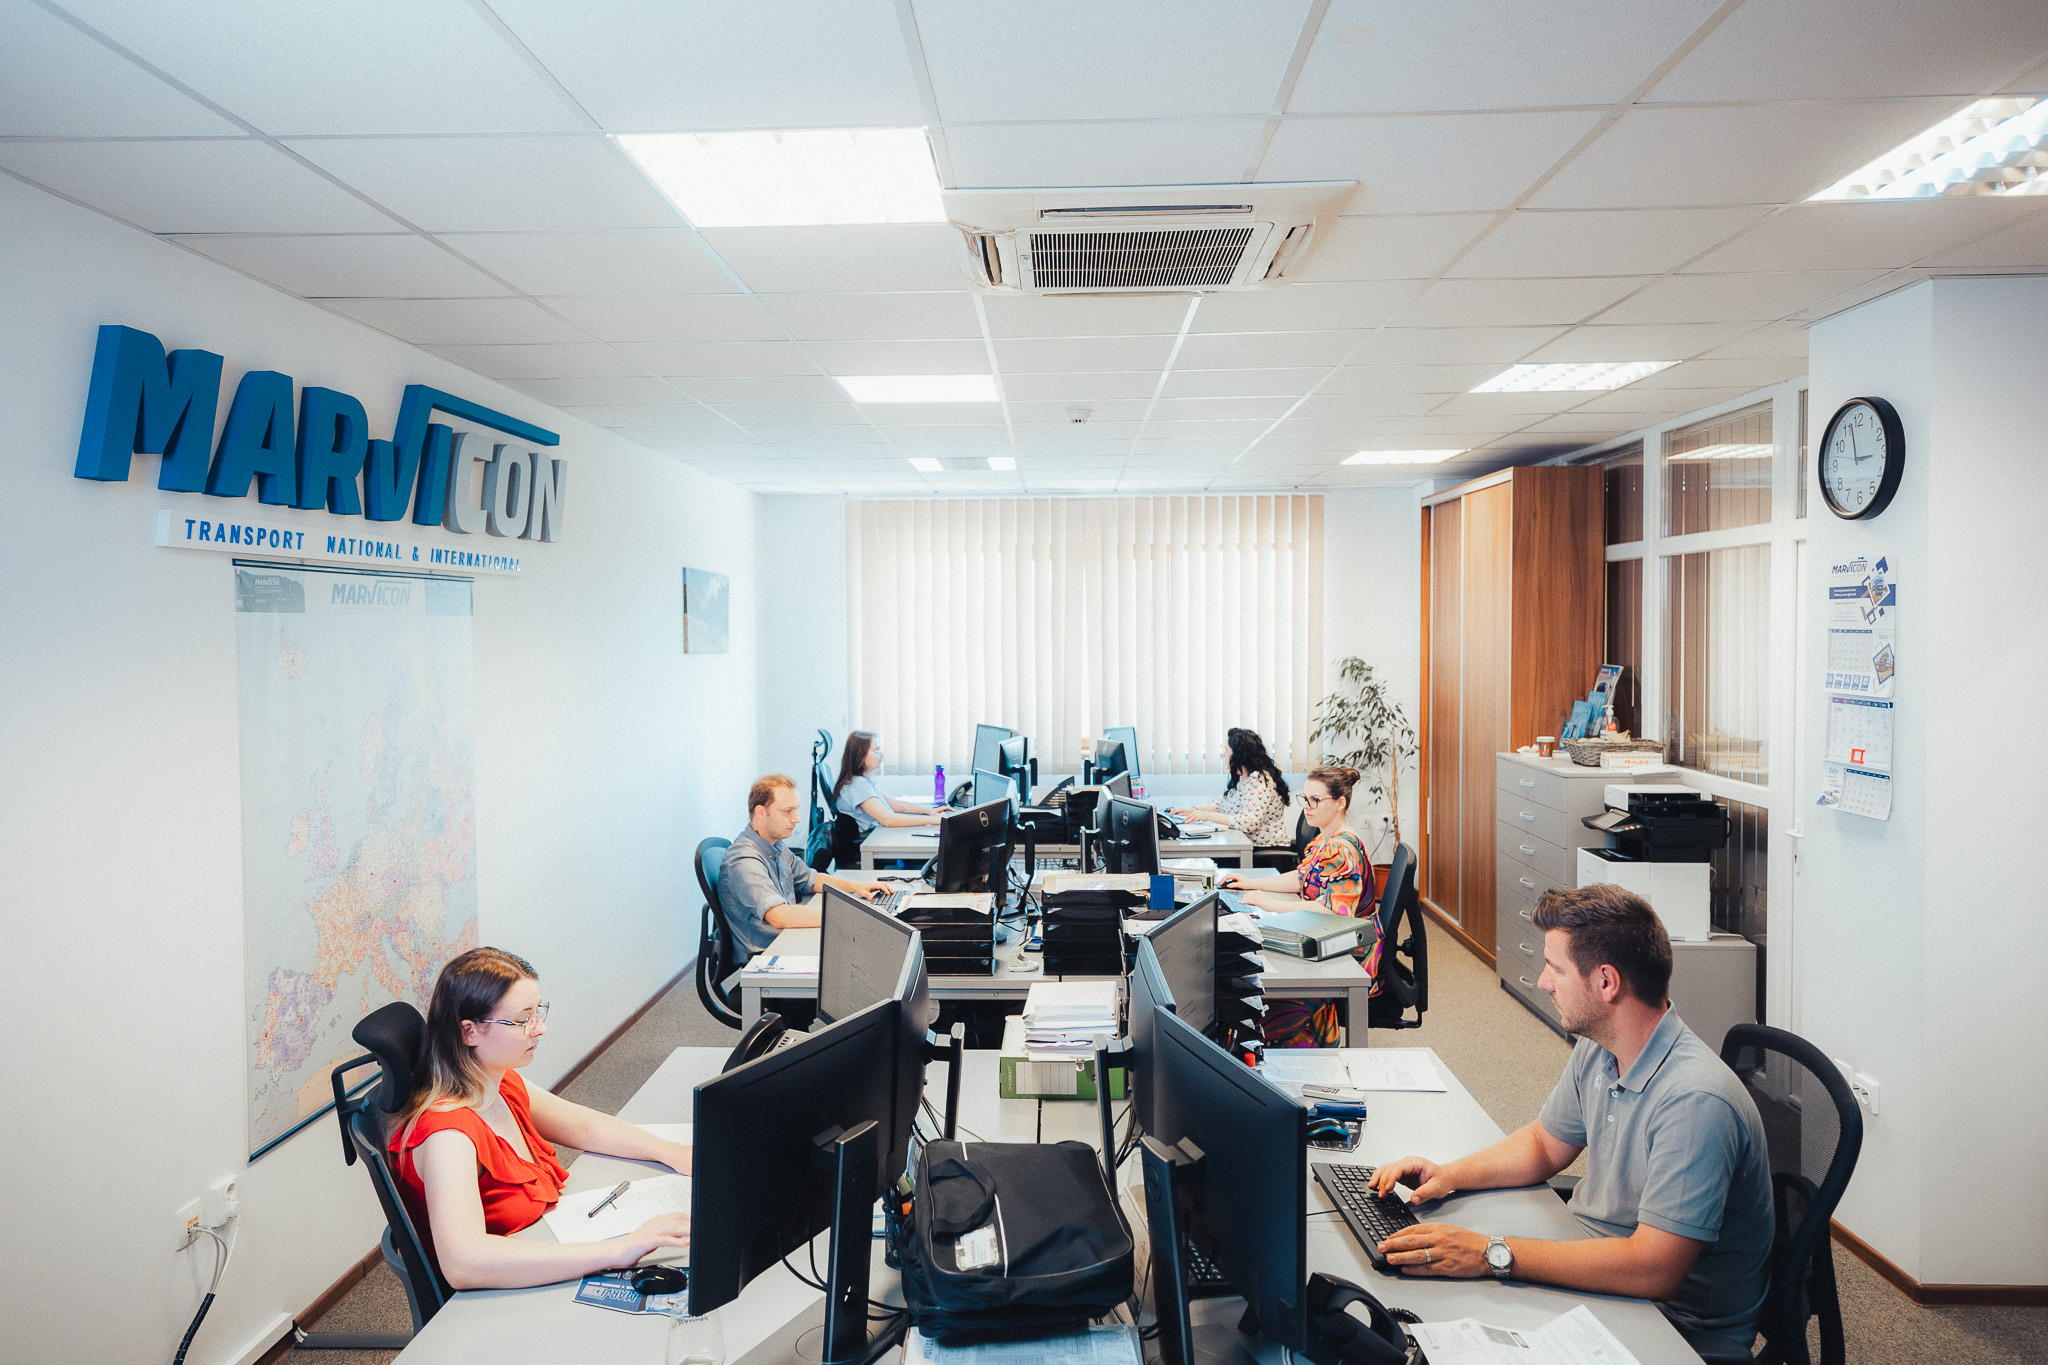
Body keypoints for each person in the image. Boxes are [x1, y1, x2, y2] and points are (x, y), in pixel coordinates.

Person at [1367, 885, 1772, 1358]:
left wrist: (1490, 1253)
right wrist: (1449, 1175)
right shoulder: (1602, 1046)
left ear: (1606, 982)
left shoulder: (1696, 1101)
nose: (1544, 982)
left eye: (1556, 969)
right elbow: (1544, 1144)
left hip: (1671, 1325)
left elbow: (1654, 1269)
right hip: (1597, 1265)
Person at [390, 948, 693, 1289]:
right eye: (523, 1020)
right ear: (469, 1032)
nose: (541, 1029)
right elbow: (464, 1263)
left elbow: (584, 1126)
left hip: (537, 1248)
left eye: (538, 1012)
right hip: (492, 1291)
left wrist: (674, 1152)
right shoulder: (448, 1136)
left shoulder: (497, 1082)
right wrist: (619, 1250)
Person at [1219, 765, 1379, 1047]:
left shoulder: (1343, 849)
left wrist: (1271, 904)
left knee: (1268, 992)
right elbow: (1302, 878)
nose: (1307, 806)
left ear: (1340, 803)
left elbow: (1332, 911)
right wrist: (1252, 884)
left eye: (1315, 800)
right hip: (1326, 932)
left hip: (1349, 946)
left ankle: (1306, 1046)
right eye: (1305, 798)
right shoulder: (1325, 838)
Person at [721, 773, 893, 957]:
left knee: (870, 942)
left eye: (795, 810)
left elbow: (812, 879)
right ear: (761, 813)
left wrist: (857, 887)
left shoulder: (775, 845)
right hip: (769, 955)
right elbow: (779, 916)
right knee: (863, 948)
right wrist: (855, 914)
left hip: (790, 937)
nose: (796, 819)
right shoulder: (744, 860)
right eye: (787, 811)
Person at [1168, 727, 1292, 847]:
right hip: (1245, 844)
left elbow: (1249, 823)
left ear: (1239, 755)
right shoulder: (1243, 777)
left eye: (1227, 751)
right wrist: (1195, 811)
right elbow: (1222, 804)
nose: (1224, 755)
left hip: (1264, 848)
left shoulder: (1259, 780)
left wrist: (1207, 815)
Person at [833, 730, 944, 834]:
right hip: (869, 840)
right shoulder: (858, 785)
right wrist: (932, 820)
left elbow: (895, 805)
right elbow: (887, 819)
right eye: (876, 751)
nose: (881, 755)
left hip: (875, 835)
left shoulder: (861, 781)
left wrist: (929, 811)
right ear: (860, 755)